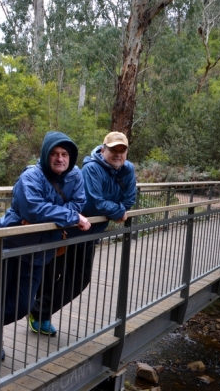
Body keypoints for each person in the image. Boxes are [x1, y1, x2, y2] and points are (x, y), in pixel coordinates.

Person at [0, 131, 91, 359]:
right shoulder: (31, 176)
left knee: (23, 306)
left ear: (70, 157)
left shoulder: (75, 177)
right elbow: (32, 208)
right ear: (45, 154)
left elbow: (79, 203)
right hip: (9, 246)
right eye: (54, 153)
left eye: (64, 154)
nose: (60, 158)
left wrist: (51, 217)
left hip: (40, 253)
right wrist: (68, 217)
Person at [28, 131, 137, 334]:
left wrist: (116, 208)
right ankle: (40, 316)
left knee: (79, 279)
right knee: (52, 274)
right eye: (113, 149)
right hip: (70, 228)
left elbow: (130, 199)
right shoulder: (92, 169)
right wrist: (118, 210)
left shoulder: (128, 169)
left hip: (90, 232)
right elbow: (93, 202)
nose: (118, 154)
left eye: (122, 150)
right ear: (103, 149)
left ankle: (36, 310)